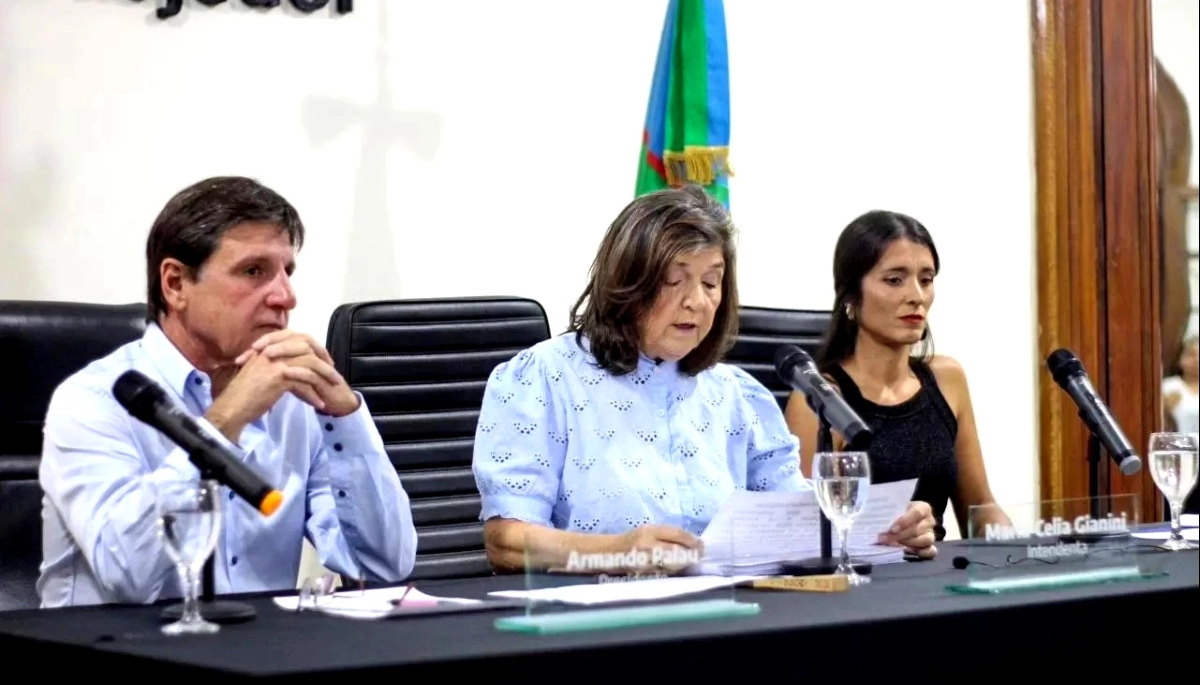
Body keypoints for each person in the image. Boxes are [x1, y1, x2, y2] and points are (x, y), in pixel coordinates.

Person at [472, 186, 936, 573]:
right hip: (597, 626)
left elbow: (795, 519)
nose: (697, 301)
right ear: (627, 284)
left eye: (711, 283)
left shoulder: (736, 394)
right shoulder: (544, 379)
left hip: (725, 619)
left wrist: (885, 529)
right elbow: (505, 541)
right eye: (675, 281)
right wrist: (613, 552)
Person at [37, 176, 417, 607]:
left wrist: (345, 418)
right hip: (116, 642)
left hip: (259, 643)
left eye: (287, 272)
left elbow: (382, 566)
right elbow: (127, 576)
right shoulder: (93, 401)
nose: (286, 297)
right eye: (254, 271)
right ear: (175, 284)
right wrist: (226, 420)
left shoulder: (294, 404)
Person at [785, 210, 1011, 543]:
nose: (916, 296)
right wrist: (887, 539)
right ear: (851, 295)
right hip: (862, 572)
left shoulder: (948, 379)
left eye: (926, 279)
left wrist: (1011, 541)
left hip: (939, 568)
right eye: (894, 280)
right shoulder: (821, 399)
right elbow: (800, 536)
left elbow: (980, 505)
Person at [1162, 335, 1198, 435]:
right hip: (1177, 442)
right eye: (1191, 355)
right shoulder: (1167, 387)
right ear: (1180, 359)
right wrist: (1165, 410)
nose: (1197, 360)